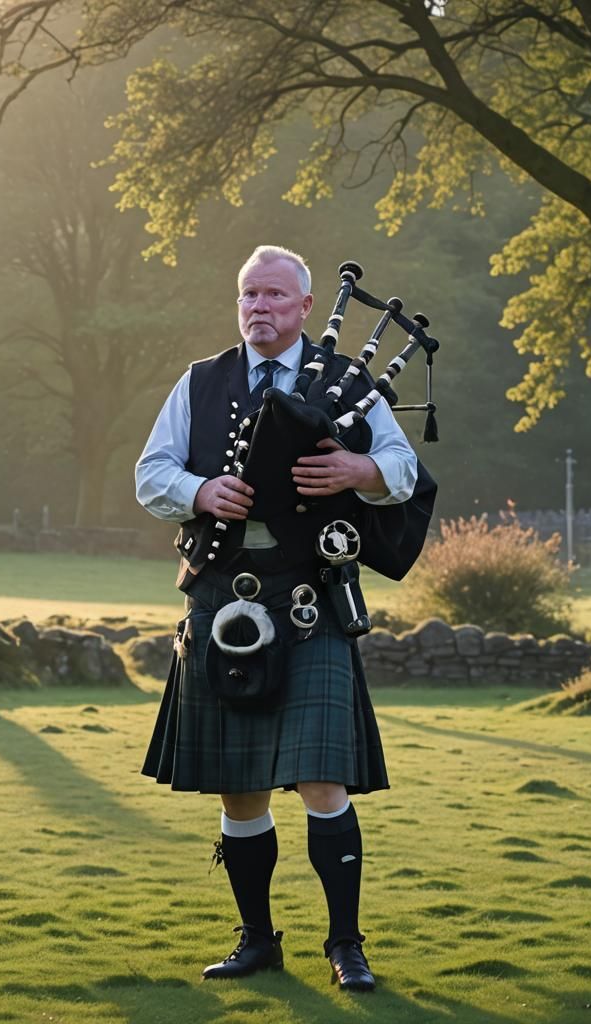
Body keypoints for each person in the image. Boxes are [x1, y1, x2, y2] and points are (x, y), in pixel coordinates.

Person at [135, 245, 418, 991]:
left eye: (273, 295)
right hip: (221, 597)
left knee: (323, 780)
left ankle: (346, 945)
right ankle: (257, 941)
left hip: (309, 599)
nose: (258, 307)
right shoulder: (201, 381)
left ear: (304, 306)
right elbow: (151, 473)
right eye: (248, 295)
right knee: (239, 787)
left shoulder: (347, 382)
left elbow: (405, 470)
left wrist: (361, 469)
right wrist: (199, 492)